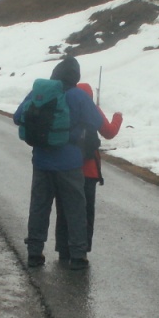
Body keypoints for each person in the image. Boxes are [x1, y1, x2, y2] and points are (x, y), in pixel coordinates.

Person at [14, 56, 103, 271]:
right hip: (70, 163)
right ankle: (78, 256)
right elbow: (97, 122)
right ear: (75, 76)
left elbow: (18, 117)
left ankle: (35, 253)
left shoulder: (39, 92)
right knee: (75, 209)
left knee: (39, 207)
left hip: (42, 161)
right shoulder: (78, 95)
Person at [54, 82, 123, 261]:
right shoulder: (92, 109)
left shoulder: (65, 106)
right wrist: (118, 117)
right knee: (85, 212)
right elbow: (109, 132)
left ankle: (63, 249)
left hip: (64, 167)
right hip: (88, 171)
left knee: (64, 210)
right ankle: (81, 251)